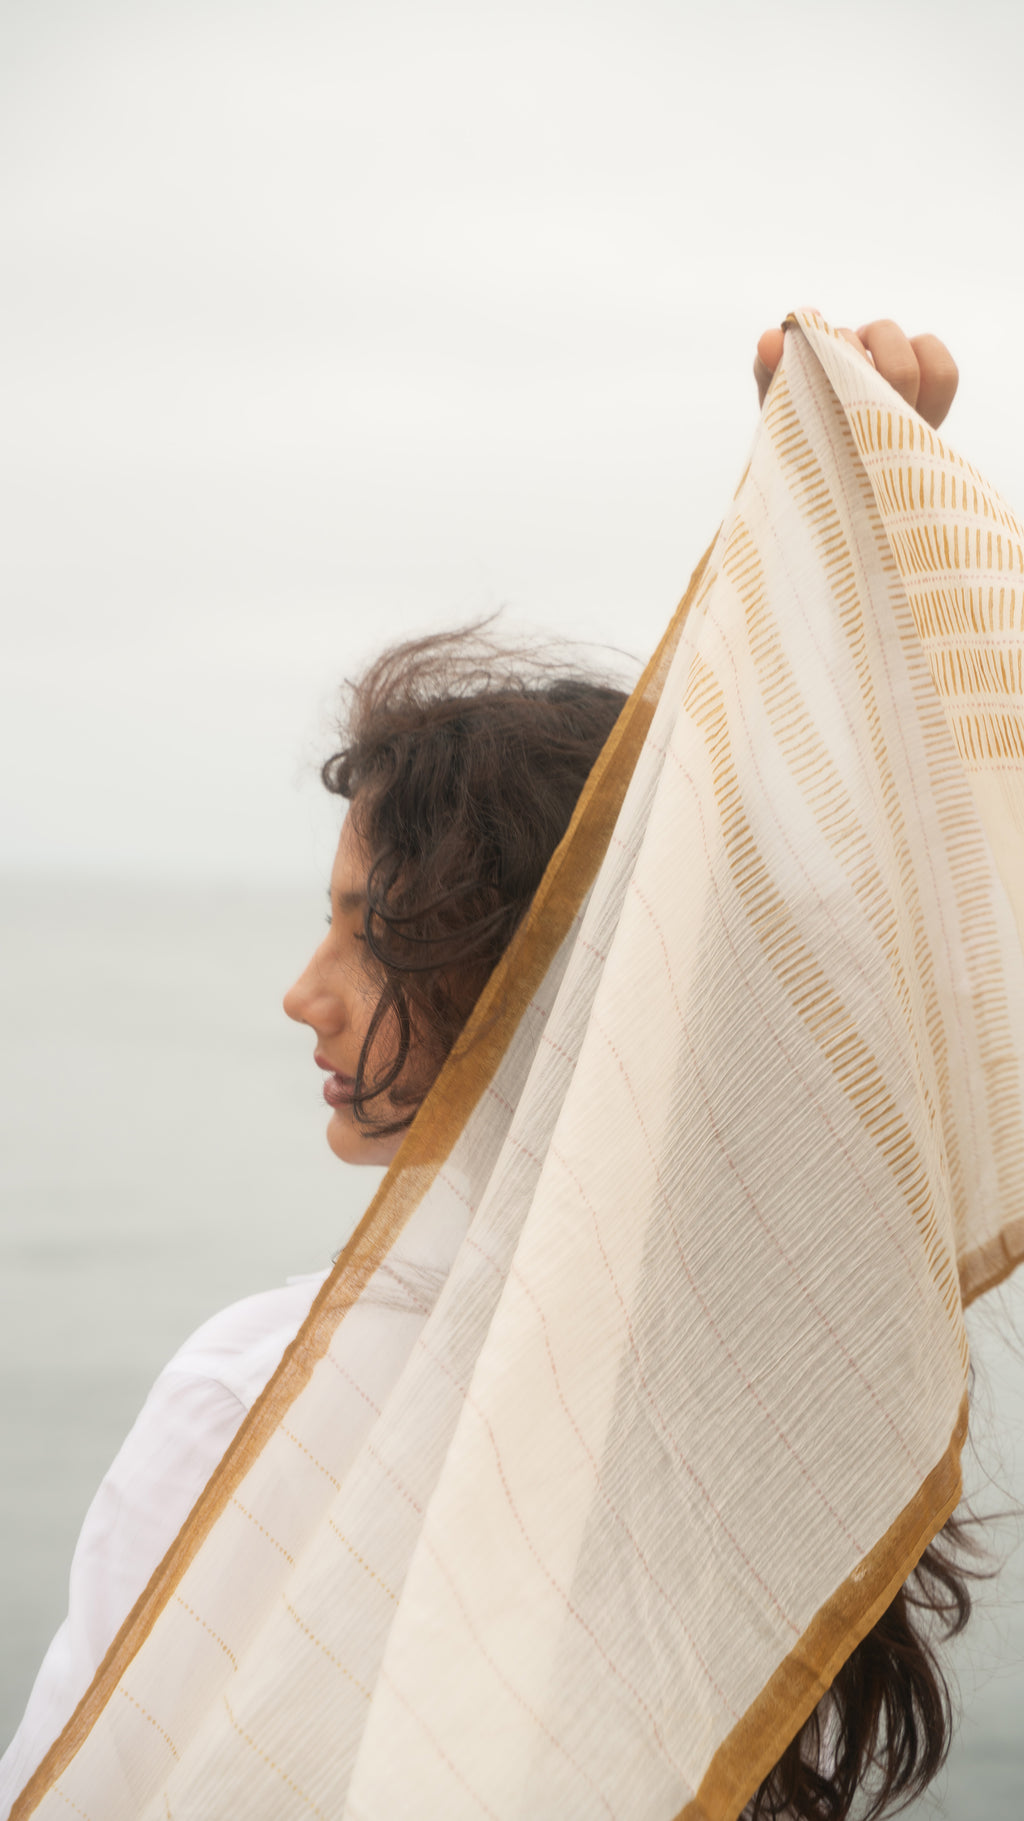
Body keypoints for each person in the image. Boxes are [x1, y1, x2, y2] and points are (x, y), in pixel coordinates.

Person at [0, 318, 973, 1821]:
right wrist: (844, 575)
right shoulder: (726, 1397)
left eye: (367, 935)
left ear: (516, 969)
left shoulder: (262, 1396)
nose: (303, 996)